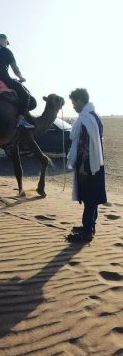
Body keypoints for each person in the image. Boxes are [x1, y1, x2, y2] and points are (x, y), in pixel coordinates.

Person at [66, 88, 107, 243]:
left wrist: (83, 167)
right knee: (93, 197)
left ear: (80, 101)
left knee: (90, 198)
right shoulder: (93, 116)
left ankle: (87, 232)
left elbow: (86, 145)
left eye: (74, 102)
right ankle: (89, 226)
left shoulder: (85, 119)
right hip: (96, 163)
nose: (73, 106)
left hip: (88, 165)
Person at [0, 33, 34, 128]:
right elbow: (15, 68)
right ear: (5, 40)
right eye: (6, 43)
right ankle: (21, 120)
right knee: (25, 95)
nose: (6, 44)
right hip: (3, 80)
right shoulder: (6, 51)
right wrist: (21, 77)